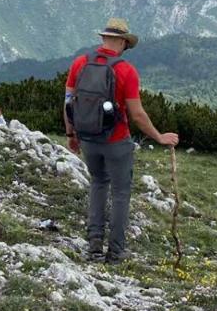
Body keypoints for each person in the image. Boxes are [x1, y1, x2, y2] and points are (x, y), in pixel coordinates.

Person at [64, 18, 179, 263]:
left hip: (88, 139)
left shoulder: (80, 63)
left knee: (97, 183)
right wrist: (158, 136)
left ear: (103, 38)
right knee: (120, 193)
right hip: (116, 141)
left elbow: (68, 102)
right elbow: (137, 114)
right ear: (123, 42)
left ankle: (94, 245)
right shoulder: (126, 70)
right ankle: (115, 253)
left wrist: (71, 135)